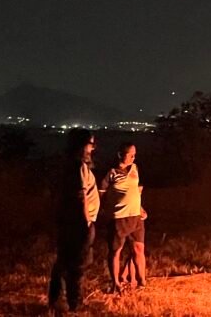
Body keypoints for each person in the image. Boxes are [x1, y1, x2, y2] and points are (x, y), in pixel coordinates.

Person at [47, 128, 100, 312]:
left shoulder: (68, 165)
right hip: (78, 222)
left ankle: (56, 299)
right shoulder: (78, 167)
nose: (93, 148)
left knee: (64, 260)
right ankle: (74, 303)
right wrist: (86, 221)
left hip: (67, 220)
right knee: (77, 263)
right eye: (91, 143)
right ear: (82, 145)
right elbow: (81, 196)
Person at [99, 141, 148, 292]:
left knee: (139, 249)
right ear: (120, 154)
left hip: (136, 216)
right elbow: (101, 193)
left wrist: (140, 208)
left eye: (135, 154)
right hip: (119, 217)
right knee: (116, 251)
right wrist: (103, 210)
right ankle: (116, 283)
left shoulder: (135, 168)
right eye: (130, 154)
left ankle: (142, 282)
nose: (133, 157)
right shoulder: (111, 172)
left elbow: (137, 190)